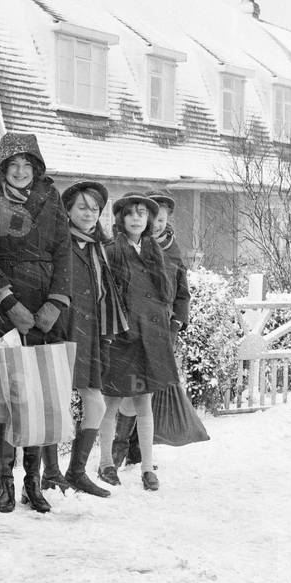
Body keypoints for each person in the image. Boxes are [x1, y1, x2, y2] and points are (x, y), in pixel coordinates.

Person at [0, 132, 71, 514]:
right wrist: (7, 299)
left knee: (38, 393)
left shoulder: (52, 199)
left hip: (45, 303)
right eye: (12, 165)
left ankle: (34, 481)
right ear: (2, 168)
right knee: (8, 395)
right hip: (5, 305)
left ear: (36, 168)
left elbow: (64, 251)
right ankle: (4, 482)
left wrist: (55, 304)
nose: (20, 171)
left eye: (26, 165)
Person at [100, 188, 190, 480]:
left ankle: (147, 467)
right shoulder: (112, 250)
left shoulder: (155, 251)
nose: (136, 219)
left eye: (142, 214)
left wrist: (170, 325)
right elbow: (106, 296)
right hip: (122, 339)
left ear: (149, 220)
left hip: (150, 339)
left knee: (144, 404)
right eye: (130, 213)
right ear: (121, 219)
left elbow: (171, 293)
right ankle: (106, 464)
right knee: (111, 403)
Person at [47, 181, 129, 499]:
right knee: (54, 402)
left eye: (94, 208)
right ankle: (50, 474)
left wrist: (105, 338)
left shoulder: (98, 248)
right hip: (61, 329)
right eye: (82, 207)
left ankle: (77, 471)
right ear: (68, 210)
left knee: (93, 402)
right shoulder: (59, 243)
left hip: (90, 332)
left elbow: (105, 297)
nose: (89, 213)